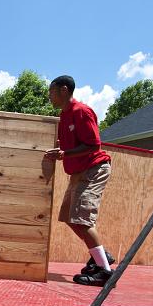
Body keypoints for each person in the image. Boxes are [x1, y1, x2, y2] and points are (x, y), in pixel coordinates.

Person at [43, 75, 115, 287]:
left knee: (82, 219)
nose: (49, 96)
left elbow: (93, 145)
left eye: (51, 91)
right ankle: (102, 255)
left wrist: (64, 154)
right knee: (69, 216)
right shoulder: (64, 116)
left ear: (64, 90)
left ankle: (105, 272)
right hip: (78, 172)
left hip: (94, 169)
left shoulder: (82, 111)